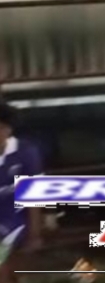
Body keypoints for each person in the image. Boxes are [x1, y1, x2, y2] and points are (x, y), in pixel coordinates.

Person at [0, 100, 44, 281]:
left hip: (14, 217)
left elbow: (34, 197)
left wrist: (35, 234)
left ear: (8, 129)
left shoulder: (25, 152)